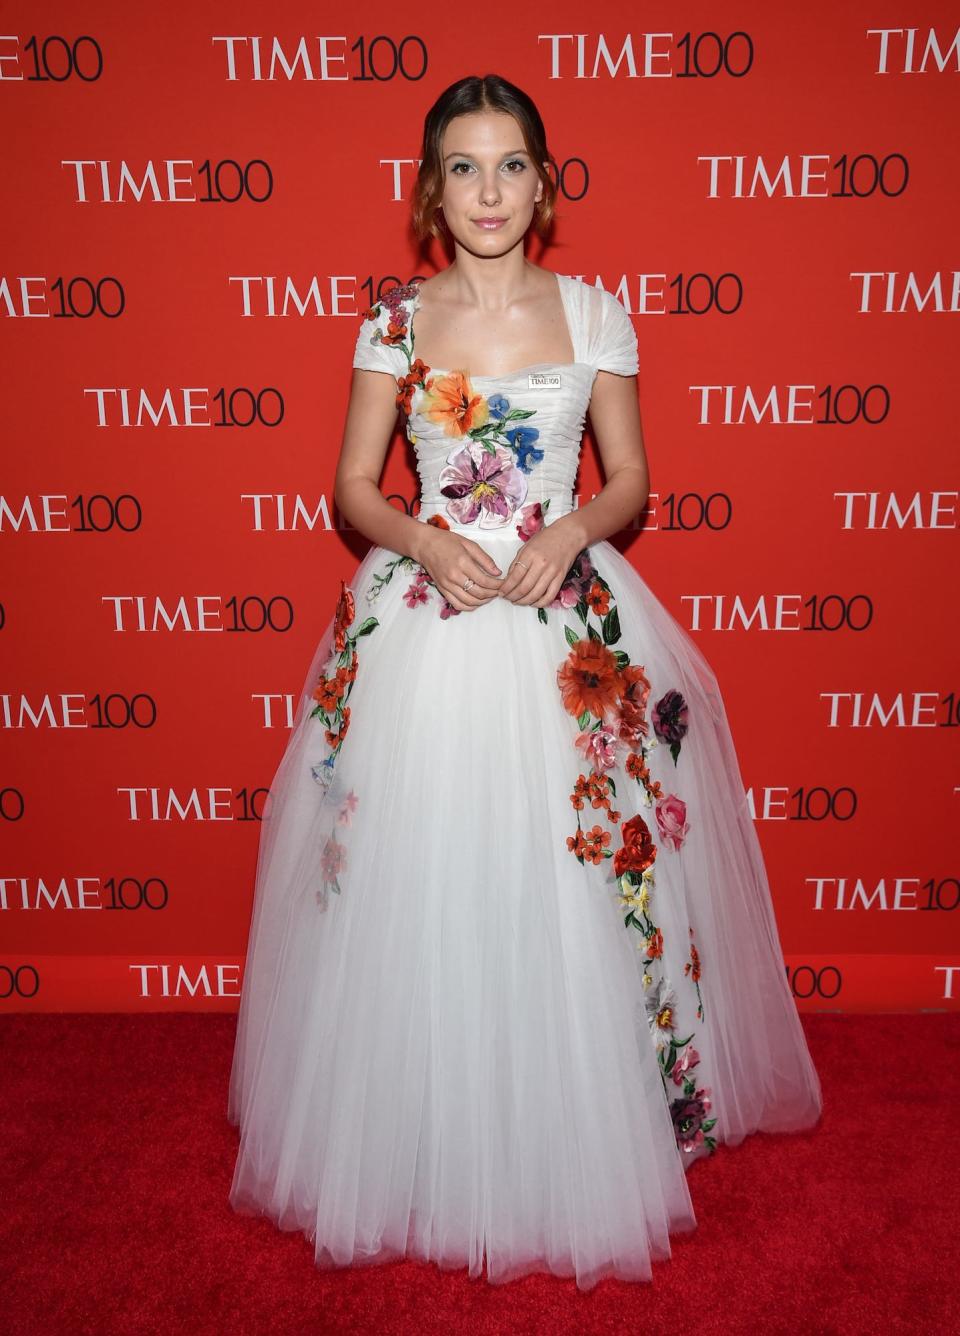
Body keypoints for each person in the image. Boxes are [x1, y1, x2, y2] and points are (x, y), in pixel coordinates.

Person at [227, 72, 822, 1291]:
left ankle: (580, 1125)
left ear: (544, 184)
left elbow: (631, 480)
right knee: (420, 879)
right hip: (428, 620)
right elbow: (349, 485)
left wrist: (569, 531)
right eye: (461, 166)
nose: (487, 189)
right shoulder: (393, 324)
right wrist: (422, 538)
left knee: (577, 878)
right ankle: (422, 1131)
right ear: (428, 189)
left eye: (509, 165)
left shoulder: (597, 316)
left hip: (570, 625)